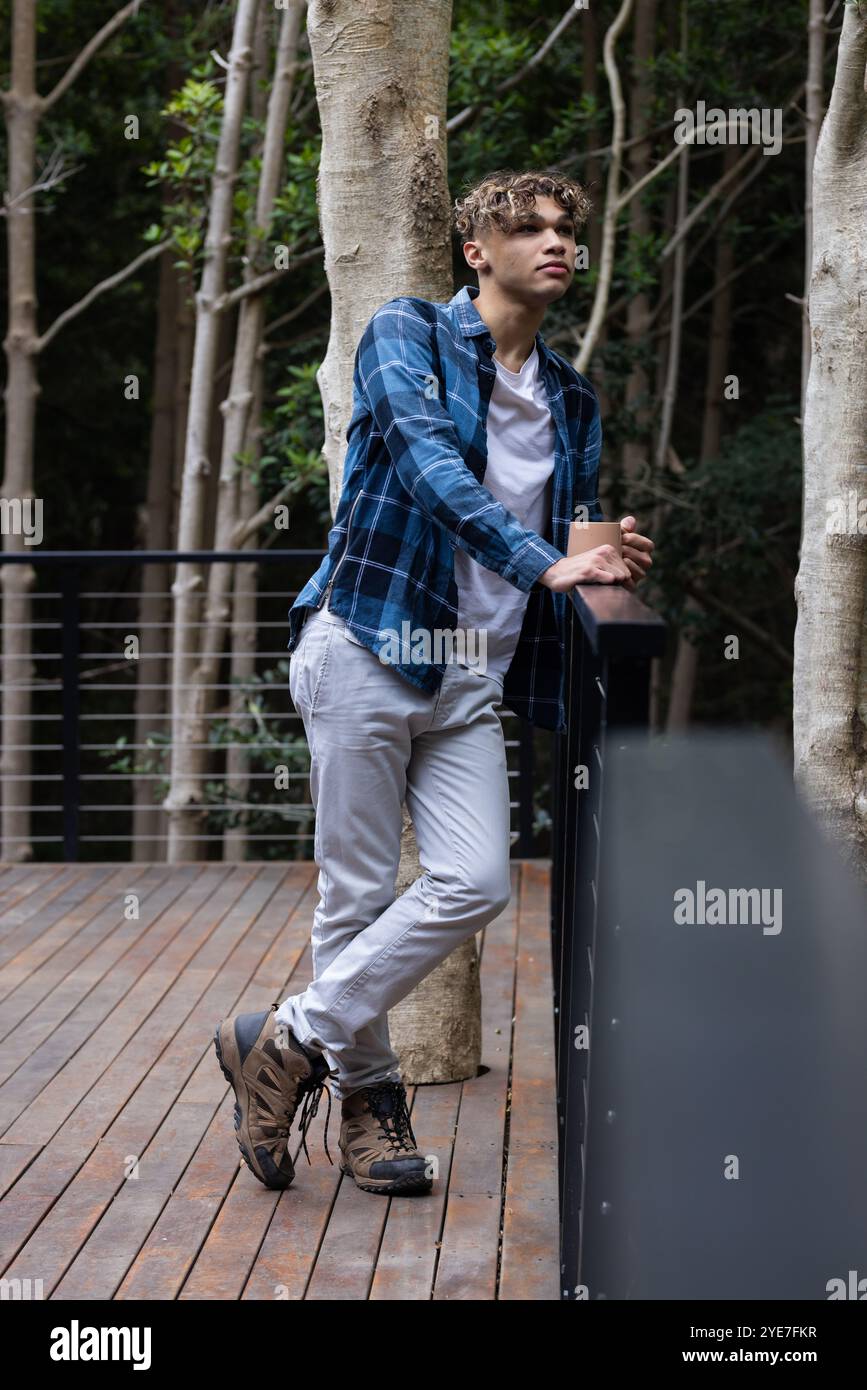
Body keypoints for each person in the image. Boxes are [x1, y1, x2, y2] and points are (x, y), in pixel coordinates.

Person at [214, 168, 654, 1198]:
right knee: (360, 897)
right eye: (530, 228)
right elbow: (428, 470)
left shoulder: (571, 397)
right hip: (367, 641)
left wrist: (606, 557)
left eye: (566, 231)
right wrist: (546, 562)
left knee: (477, 881)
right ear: (476, 250)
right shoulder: (405, 334)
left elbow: (572, 530)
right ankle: (372, 1110)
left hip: (472, 678)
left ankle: (284, 1038)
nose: (556, 244)